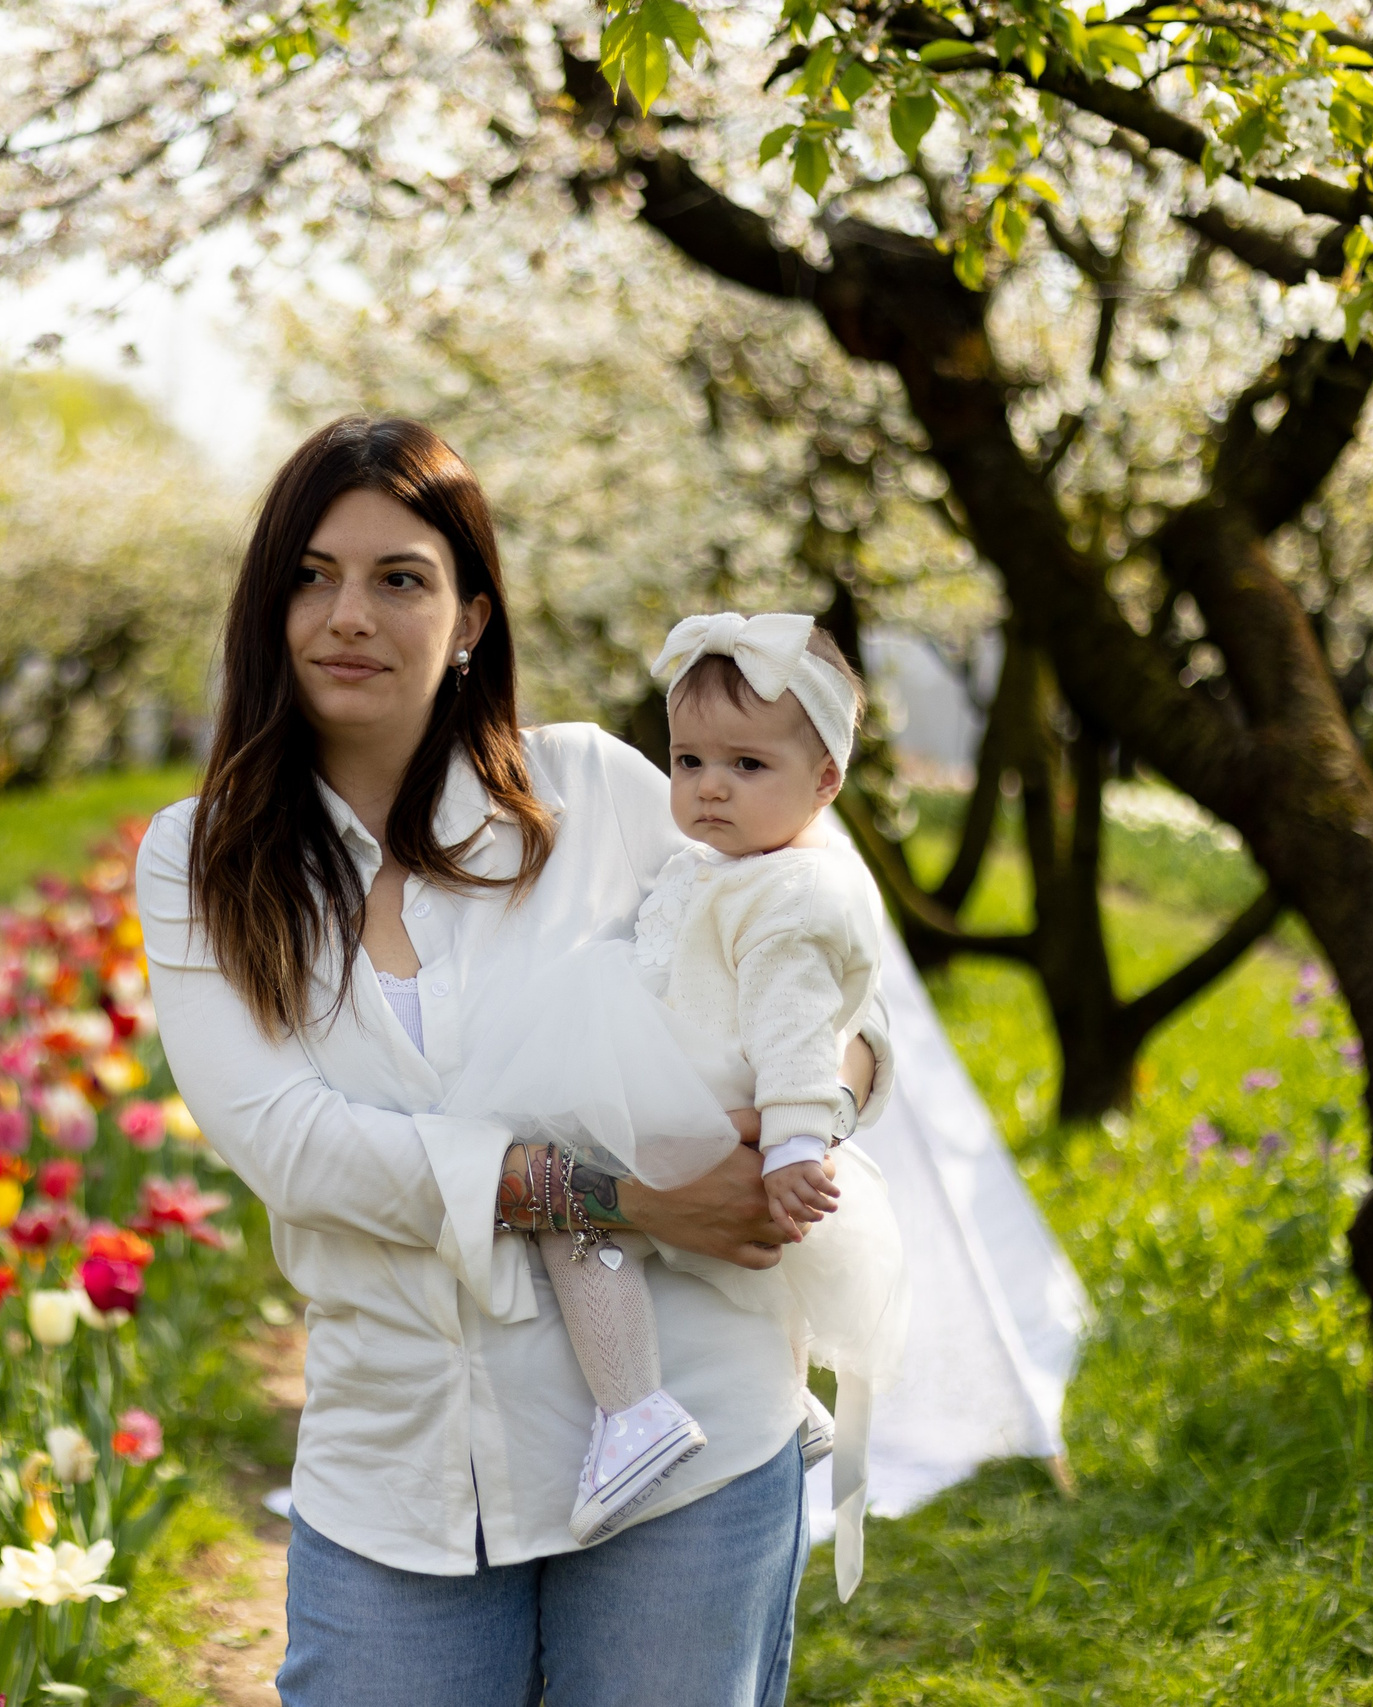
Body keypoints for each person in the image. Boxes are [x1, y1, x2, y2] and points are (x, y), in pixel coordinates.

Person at [135, 416, 887, 1705]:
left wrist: (787, 1128)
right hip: (404, 1468)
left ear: (471, 615)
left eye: (399, 578)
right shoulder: (202, 859)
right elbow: (297, 1147)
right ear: (266, 607)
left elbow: (831, 990)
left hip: (691, 1427)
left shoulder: (595, 791)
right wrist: (625, 1198)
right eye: (310, 576)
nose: (347, 616)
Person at [431, 611, 907, 1559]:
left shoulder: (794, 896)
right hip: (691, 1075)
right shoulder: (728, 862)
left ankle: (634, 1409)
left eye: (746, 767)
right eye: (689, 762)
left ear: (826, 783)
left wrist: (798, 1140)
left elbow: (800, 1031)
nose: (707, 788)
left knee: (578, 1205)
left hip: (708, 1088)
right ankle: (789, 1399)